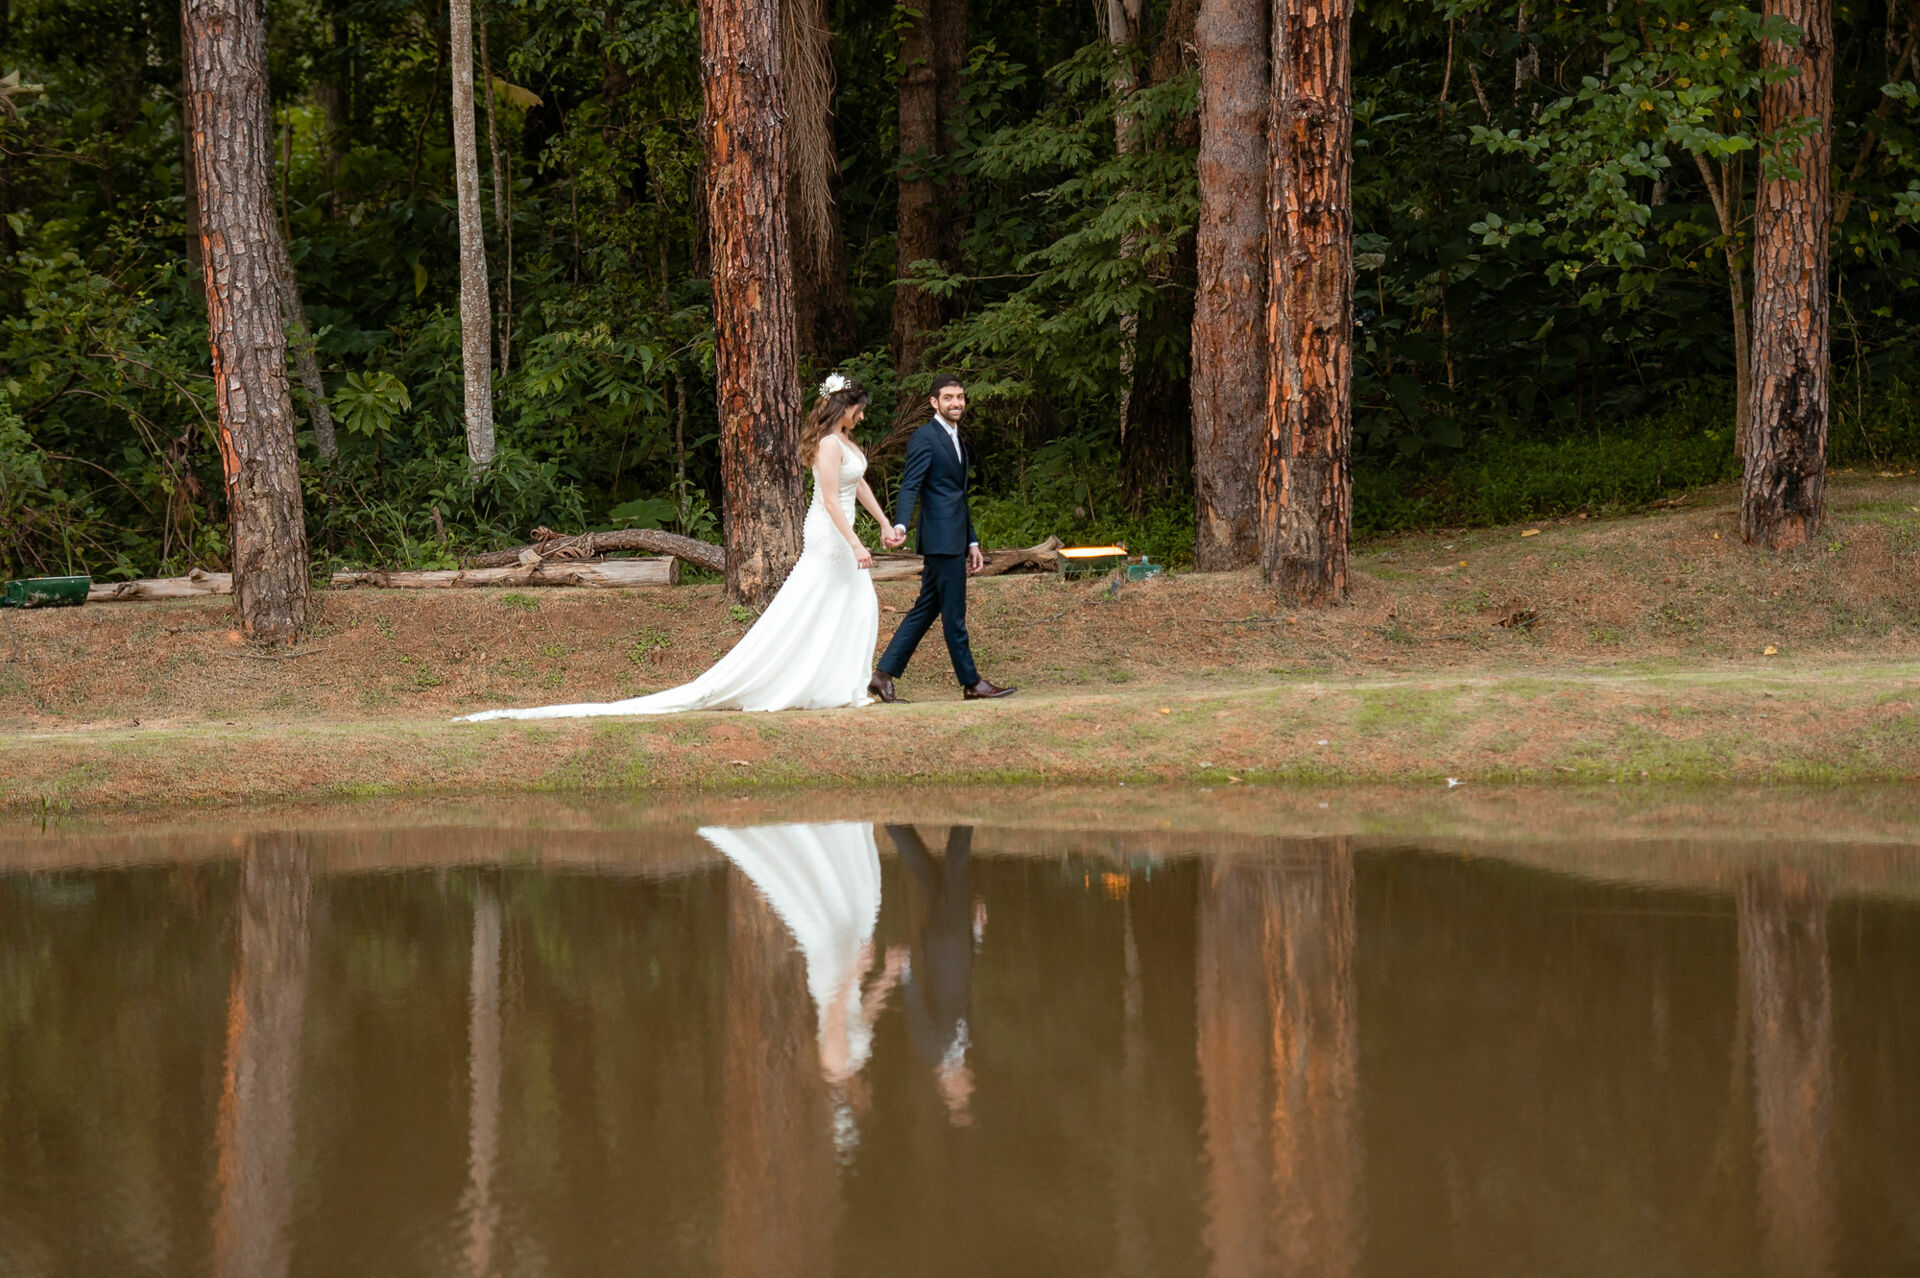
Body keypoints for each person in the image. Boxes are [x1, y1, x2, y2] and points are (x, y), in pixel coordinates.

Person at [456, 375, 890, 722]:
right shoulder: (829, 444)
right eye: (860, 408)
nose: (863, 415)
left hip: (843, 534)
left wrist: (884, 523)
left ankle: (840, 684)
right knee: (829, 602)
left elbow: (859, 486)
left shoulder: (847, 443)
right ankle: (817, 682)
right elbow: (829, 499)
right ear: (844, 407)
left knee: (854, 604)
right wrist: (855, 543)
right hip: (829, 535)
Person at [868, 375, 1016, 703]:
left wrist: (972, 542)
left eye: (960, 397)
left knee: (925, 609)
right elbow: (911, 484)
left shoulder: (956, 437)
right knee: (954, 615)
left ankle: (882, 675)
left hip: (954, 538)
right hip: (940, 540)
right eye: (948, 397)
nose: (956, 403)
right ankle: (971, 682)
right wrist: (900, 525)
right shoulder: (925, 437)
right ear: (934, 402)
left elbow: (958, 496)